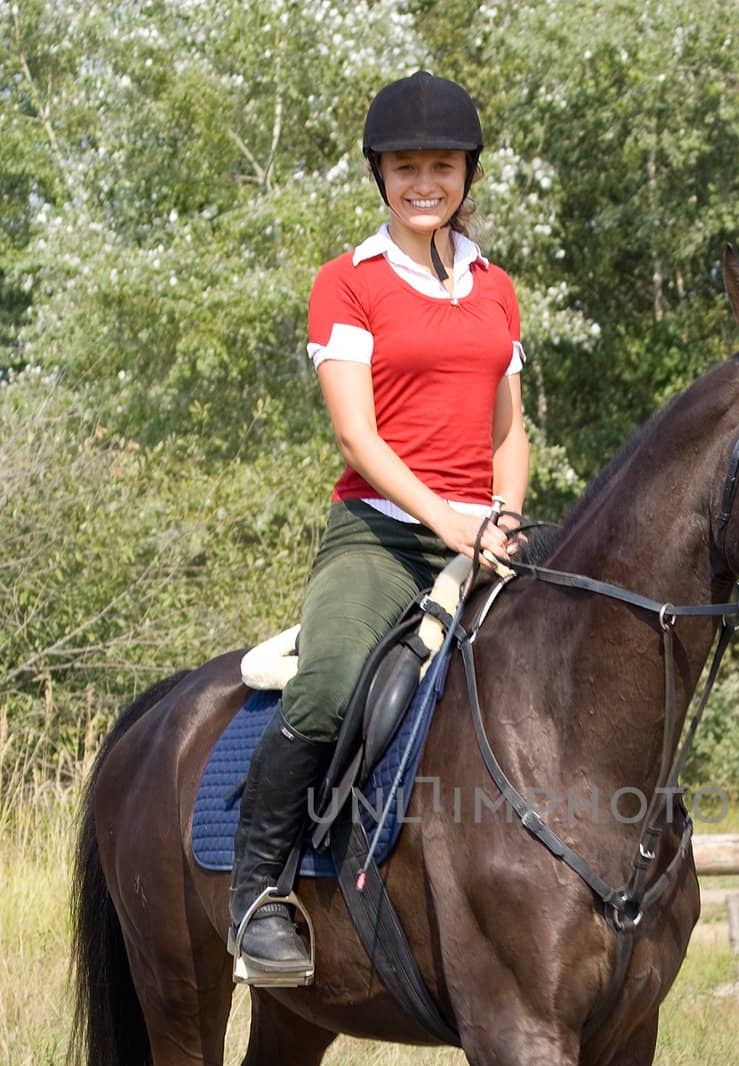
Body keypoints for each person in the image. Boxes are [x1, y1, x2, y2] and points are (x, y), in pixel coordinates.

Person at [228, 70, 530, 984]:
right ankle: (259, 894)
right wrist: (452, 525)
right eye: (406, 168)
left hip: (487, 530)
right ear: (380, 175)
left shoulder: (496, 289)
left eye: (442, 166)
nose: (425, 183)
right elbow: (358, 433)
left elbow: (508, 429)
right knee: (327, 683)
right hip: (382, 532)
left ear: (466, 175)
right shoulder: (347, 283)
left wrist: (505, 517)